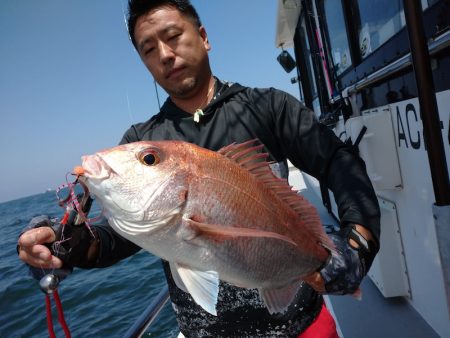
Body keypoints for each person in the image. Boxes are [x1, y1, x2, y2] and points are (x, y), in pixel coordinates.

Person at [18, 1, 380, 337]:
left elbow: (336, 161)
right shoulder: (142, 137)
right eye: (148, 49)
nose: (164, 54)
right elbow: (123, 235)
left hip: (302, 326)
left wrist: (358, 241)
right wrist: (67, 244)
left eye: (173, 36)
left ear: (203, 37)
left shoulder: (268, 106)